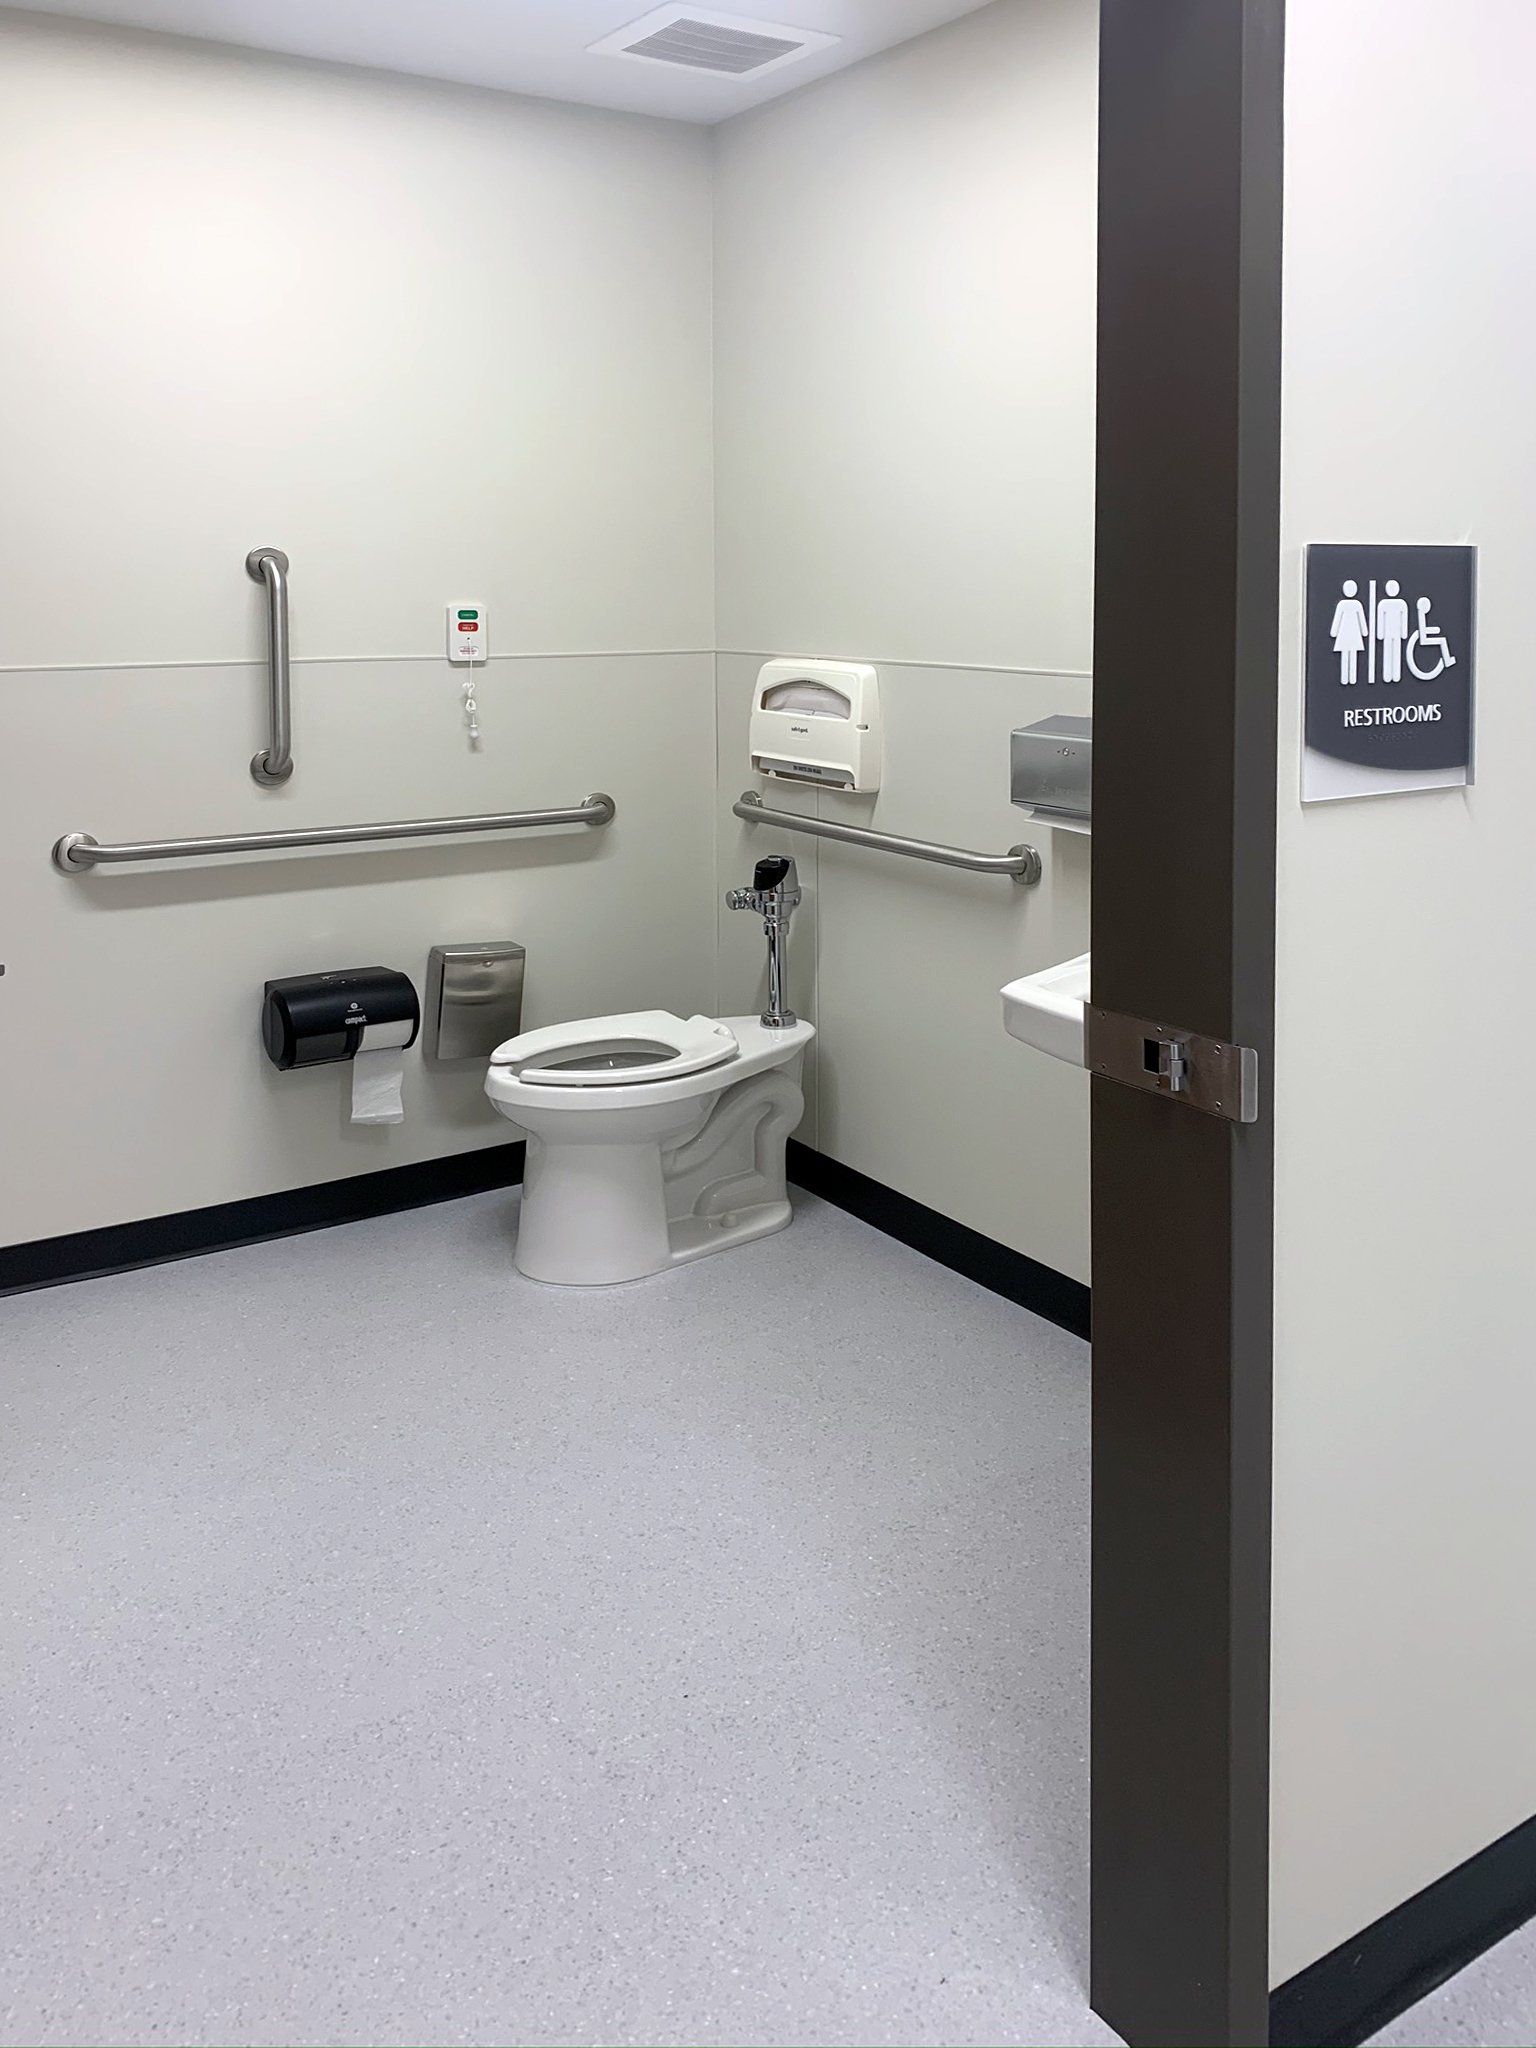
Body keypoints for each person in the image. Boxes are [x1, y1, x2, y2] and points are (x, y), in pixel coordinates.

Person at [1331, 579, 1368, 685]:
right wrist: (1334, 631)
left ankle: (1351, 678)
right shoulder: (1344, 605)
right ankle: (1347, 678)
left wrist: (1364, 631)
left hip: (1351, 633)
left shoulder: (1356, 605)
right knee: (1348, 655)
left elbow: (1361, 619)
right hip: (1347, 633)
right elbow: (1337, 619)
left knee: (1351, 655)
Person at [1375, 577, 1409, 683]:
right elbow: (1380, 619)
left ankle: (1395, 676)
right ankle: (1387, 676)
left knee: (1396, 652)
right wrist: (1380, 634)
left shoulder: (1401, 604)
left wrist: (1404, 633)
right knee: (1388, 652)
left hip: (1395, 633)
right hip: (1389, 633)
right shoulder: (1383, 604)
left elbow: (1404, 619)